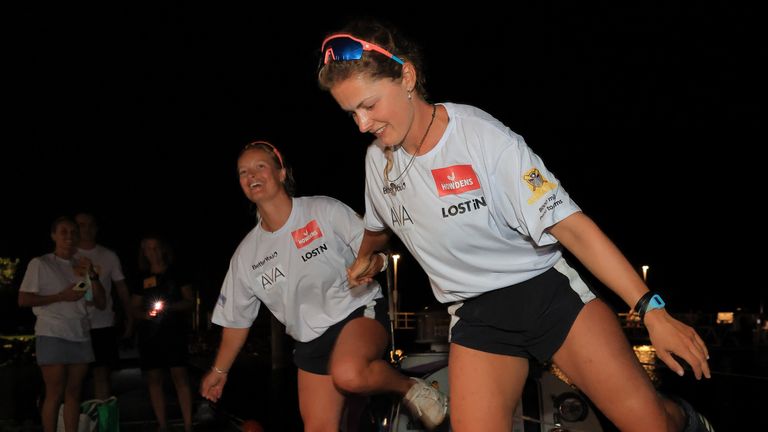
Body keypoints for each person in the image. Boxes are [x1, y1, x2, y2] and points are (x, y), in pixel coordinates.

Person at [317, 20, 714, 432]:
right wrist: (367, 256)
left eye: (370, 105)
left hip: (545, 293)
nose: (362, 124)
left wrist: (652, 311)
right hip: (477, 315)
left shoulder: (482, 139)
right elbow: (379, 226)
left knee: (650, 426)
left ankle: (683, 417)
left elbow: (572, 227)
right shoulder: (376, 162)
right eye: (351, 114)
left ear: (408, 78)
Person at [200, 141, 448, 431]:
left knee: (350, 374)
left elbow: (374, 241)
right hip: (309, 339)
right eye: (243, 172)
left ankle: (409, 387)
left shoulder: (321, 210)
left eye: (260, 167)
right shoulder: (246, 255)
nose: (251, 175)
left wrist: (374, 262)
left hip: (356, 310)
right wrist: (219, 371)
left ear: (282, 174)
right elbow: (236, 323)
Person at [18, 216, 106, 432]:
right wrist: (60, 296)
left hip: (80, 333)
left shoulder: (82, 265)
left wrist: (93, 276)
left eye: (74, 232)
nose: (70, 237)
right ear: (53, 236)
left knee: (74, 392)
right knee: (55, 392)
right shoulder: (41, 263)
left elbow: (101, 303)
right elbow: (24, 299)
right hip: (52, 332)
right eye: (64, 232)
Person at [130, 234, 194, 432]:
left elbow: (190, 301)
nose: (153, 252)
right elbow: (134, 308)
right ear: (143, 252)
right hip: (150, 335)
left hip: (174, 332)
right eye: (148, 248)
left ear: (163, 249)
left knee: (180, 377)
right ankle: (163, 425)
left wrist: (170, 307)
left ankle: (189, 425)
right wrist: (146, 315)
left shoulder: (177, 272)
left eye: (156, 247)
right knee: (154, 379)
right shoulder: (141, 277)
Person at [75, 212, 133, 400]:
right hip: (73, 324)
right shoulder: (68, 256)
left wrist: (129, 317)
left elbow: (121, 287)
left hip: (102, 323)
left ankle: (103, 421)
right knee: (75, 378)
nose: (87, 229)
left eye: (91, 225)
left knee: (102, 376)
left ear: (97, 228)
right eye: (82, 225)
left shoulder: (108, 255)